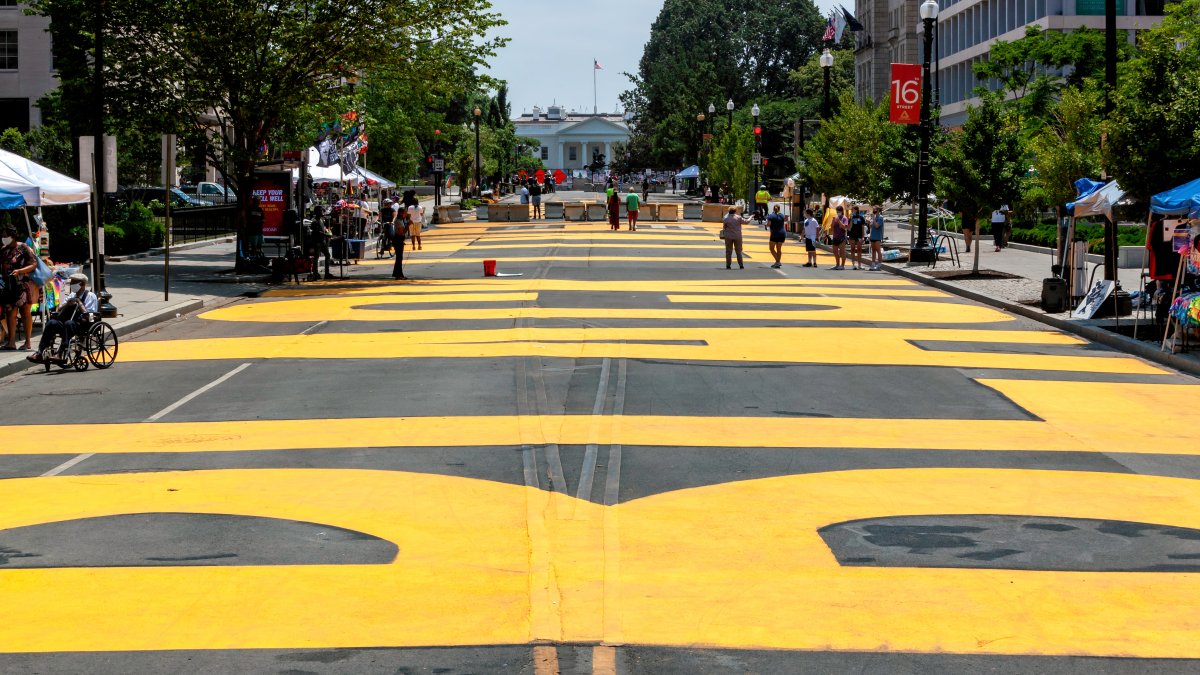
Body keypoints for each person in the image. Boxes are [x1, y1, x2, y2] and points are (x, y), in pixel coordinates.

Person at [28, 273, 97, 364]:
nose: (72, 285)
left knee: (69, 323)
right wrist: (67, 304)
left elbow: (90, 316)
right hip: (65, 322)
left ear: (82, 284)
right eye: (71, 283)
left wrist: (78, 302)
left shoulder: (90, 296)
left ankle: (60, 353)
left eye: (74, 283)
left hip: (81, 324)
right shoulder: (71, 295)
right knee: (51, 323)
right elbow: (59, 309)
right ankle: (40, 352)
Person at [1, 225, 38, 350]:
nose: (3, 238)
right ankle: (11, 342)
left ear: (13, 236)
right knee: (10, 312)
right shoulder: (3, 250)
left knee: (24, 312)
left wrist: (20, 271)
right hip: (8, 286)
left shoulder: (23, 248)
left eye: (6, 236)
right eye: (3, 236)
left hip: (23, 285)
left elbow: (33, 264)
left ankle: (27, 342)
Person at [765, 204, 787, 268]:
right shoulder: (782, 215)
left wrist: (766, 225)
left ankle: (778, 262)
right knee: (779, 249)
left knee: (771, 249)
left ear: (773, 209)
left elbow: (769, 224)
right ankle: (777, 262)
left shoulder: (771, 216)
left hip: (774, 234)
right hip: (782, 233)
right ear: (779, 209)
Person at [848, 205, 866, 270]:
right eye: (851, 210)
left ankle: (859, 265)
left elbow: (863, 228)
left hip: (859, 236)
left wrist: (863, 237)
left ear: (856, 210)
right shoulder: (850, 218)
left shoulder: (861, 218)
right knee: (852, 250)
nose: (852, 211)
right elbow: (849, 228)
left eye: (853, 210)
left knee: (859, 250)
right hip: (852, 235)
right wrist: (851, 219)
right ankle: (853, 264)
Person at [830, 205, 848, 270]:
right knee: (835, 251)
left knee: (842, 252)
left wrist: (839, 221)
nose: (838, 213)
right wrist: (833, 222)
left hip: (842, 237)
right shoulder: (835, 218)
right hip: (835, 236)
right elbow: (832, 228)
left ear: (842, 211)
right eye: (837, 211)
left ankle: (842, 265)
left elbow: (844, 227)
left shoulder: (844, 218)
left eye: (839, 211)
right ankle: (837, 264)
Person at [868, 206, 885, 271]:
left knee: (878, 251)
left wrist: (874, 219)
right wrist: (869, 222)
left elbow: (877, 226)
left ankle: (879, 264)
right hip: (873, 236)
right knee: (873, 251)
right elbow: (871, 226)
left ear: (878, 210)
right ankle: (873, 263)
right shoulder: (874, 217)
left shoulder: (880, 217)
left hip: (878, 236)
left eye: (875, 209)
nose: (873, 210)